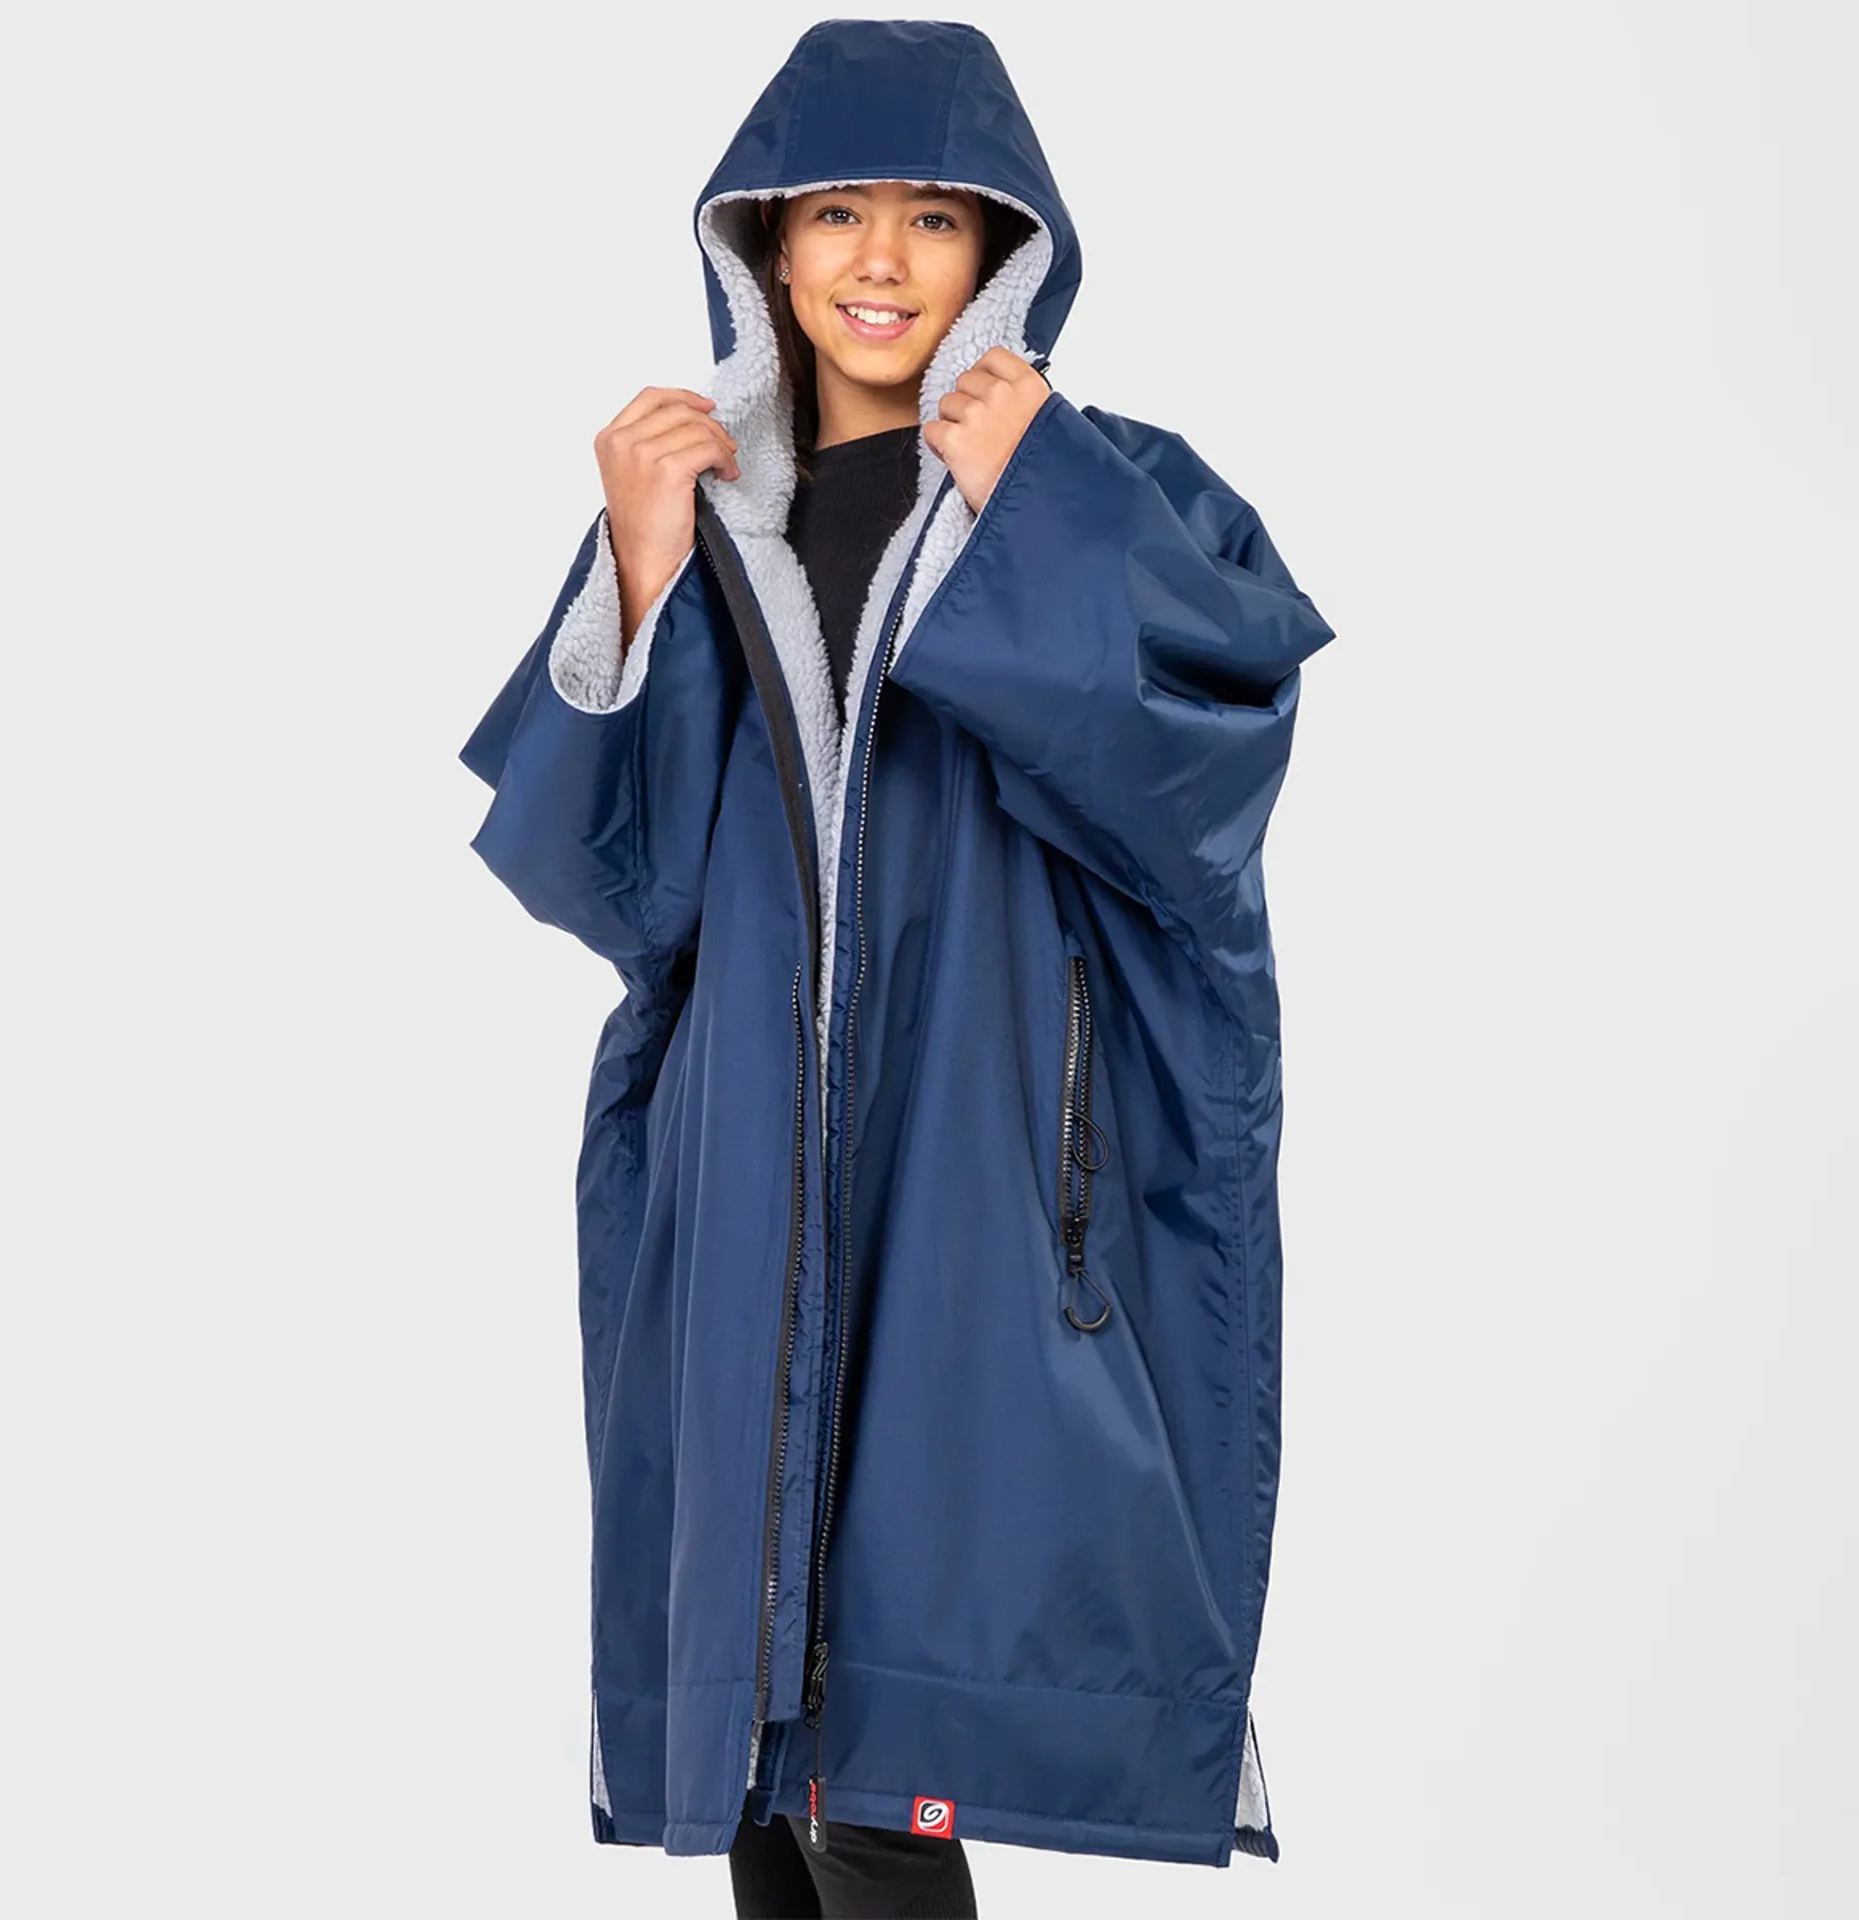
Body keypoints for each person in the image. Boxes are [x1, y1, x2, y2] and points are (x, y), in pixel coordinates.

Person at [459, 18, 1334, 1916]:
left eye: (934, 219)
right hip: (747, 1188)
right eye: (835, 213)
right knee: (770, 1786)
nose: (879, 259)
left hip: (987, 1181)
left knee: (884, 1784)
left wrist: (1049, 504)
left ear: (1003, 253)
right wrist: (634, 568)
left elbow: (1201, 779)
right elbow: (608, 888)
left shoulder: (1116, 481)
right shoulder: (706, 518)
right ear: (765, 248)